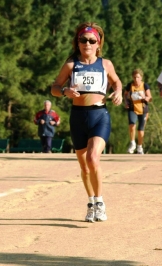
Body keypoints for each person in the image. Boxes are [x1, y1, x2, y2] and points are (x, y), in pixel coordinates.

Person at [51, 22, 122, 222]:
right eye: (83, 40)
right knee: (84, 167)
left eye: (91, 41)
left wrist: (117, 91)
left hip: (99, 115)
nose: (87, 44)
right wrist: (64, 91)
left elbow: (116, 81)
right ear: (78, 43)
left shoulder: (105, 64)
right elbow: (54, 87)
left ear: (98, 45)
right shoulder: (71, 65)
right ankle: (91, 202)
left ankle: (100, 203)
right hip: (78, 116)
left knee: (93, 158)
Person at [124, 68, 152, 154]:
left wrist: (144, 97)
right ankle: (132, 143)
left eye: (138, 77)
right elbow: (125, 95)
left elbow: (150, 98)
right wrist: (126, 102)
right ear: (133, 77)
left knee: (141, 129)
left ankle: (140, 147)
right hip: (132, 108)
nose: (136, 79)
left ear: (141, 77)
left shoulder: (145, 86)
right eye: (135, 77)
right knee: (132, 125)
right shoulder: (130, 86)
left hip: (143, 109)